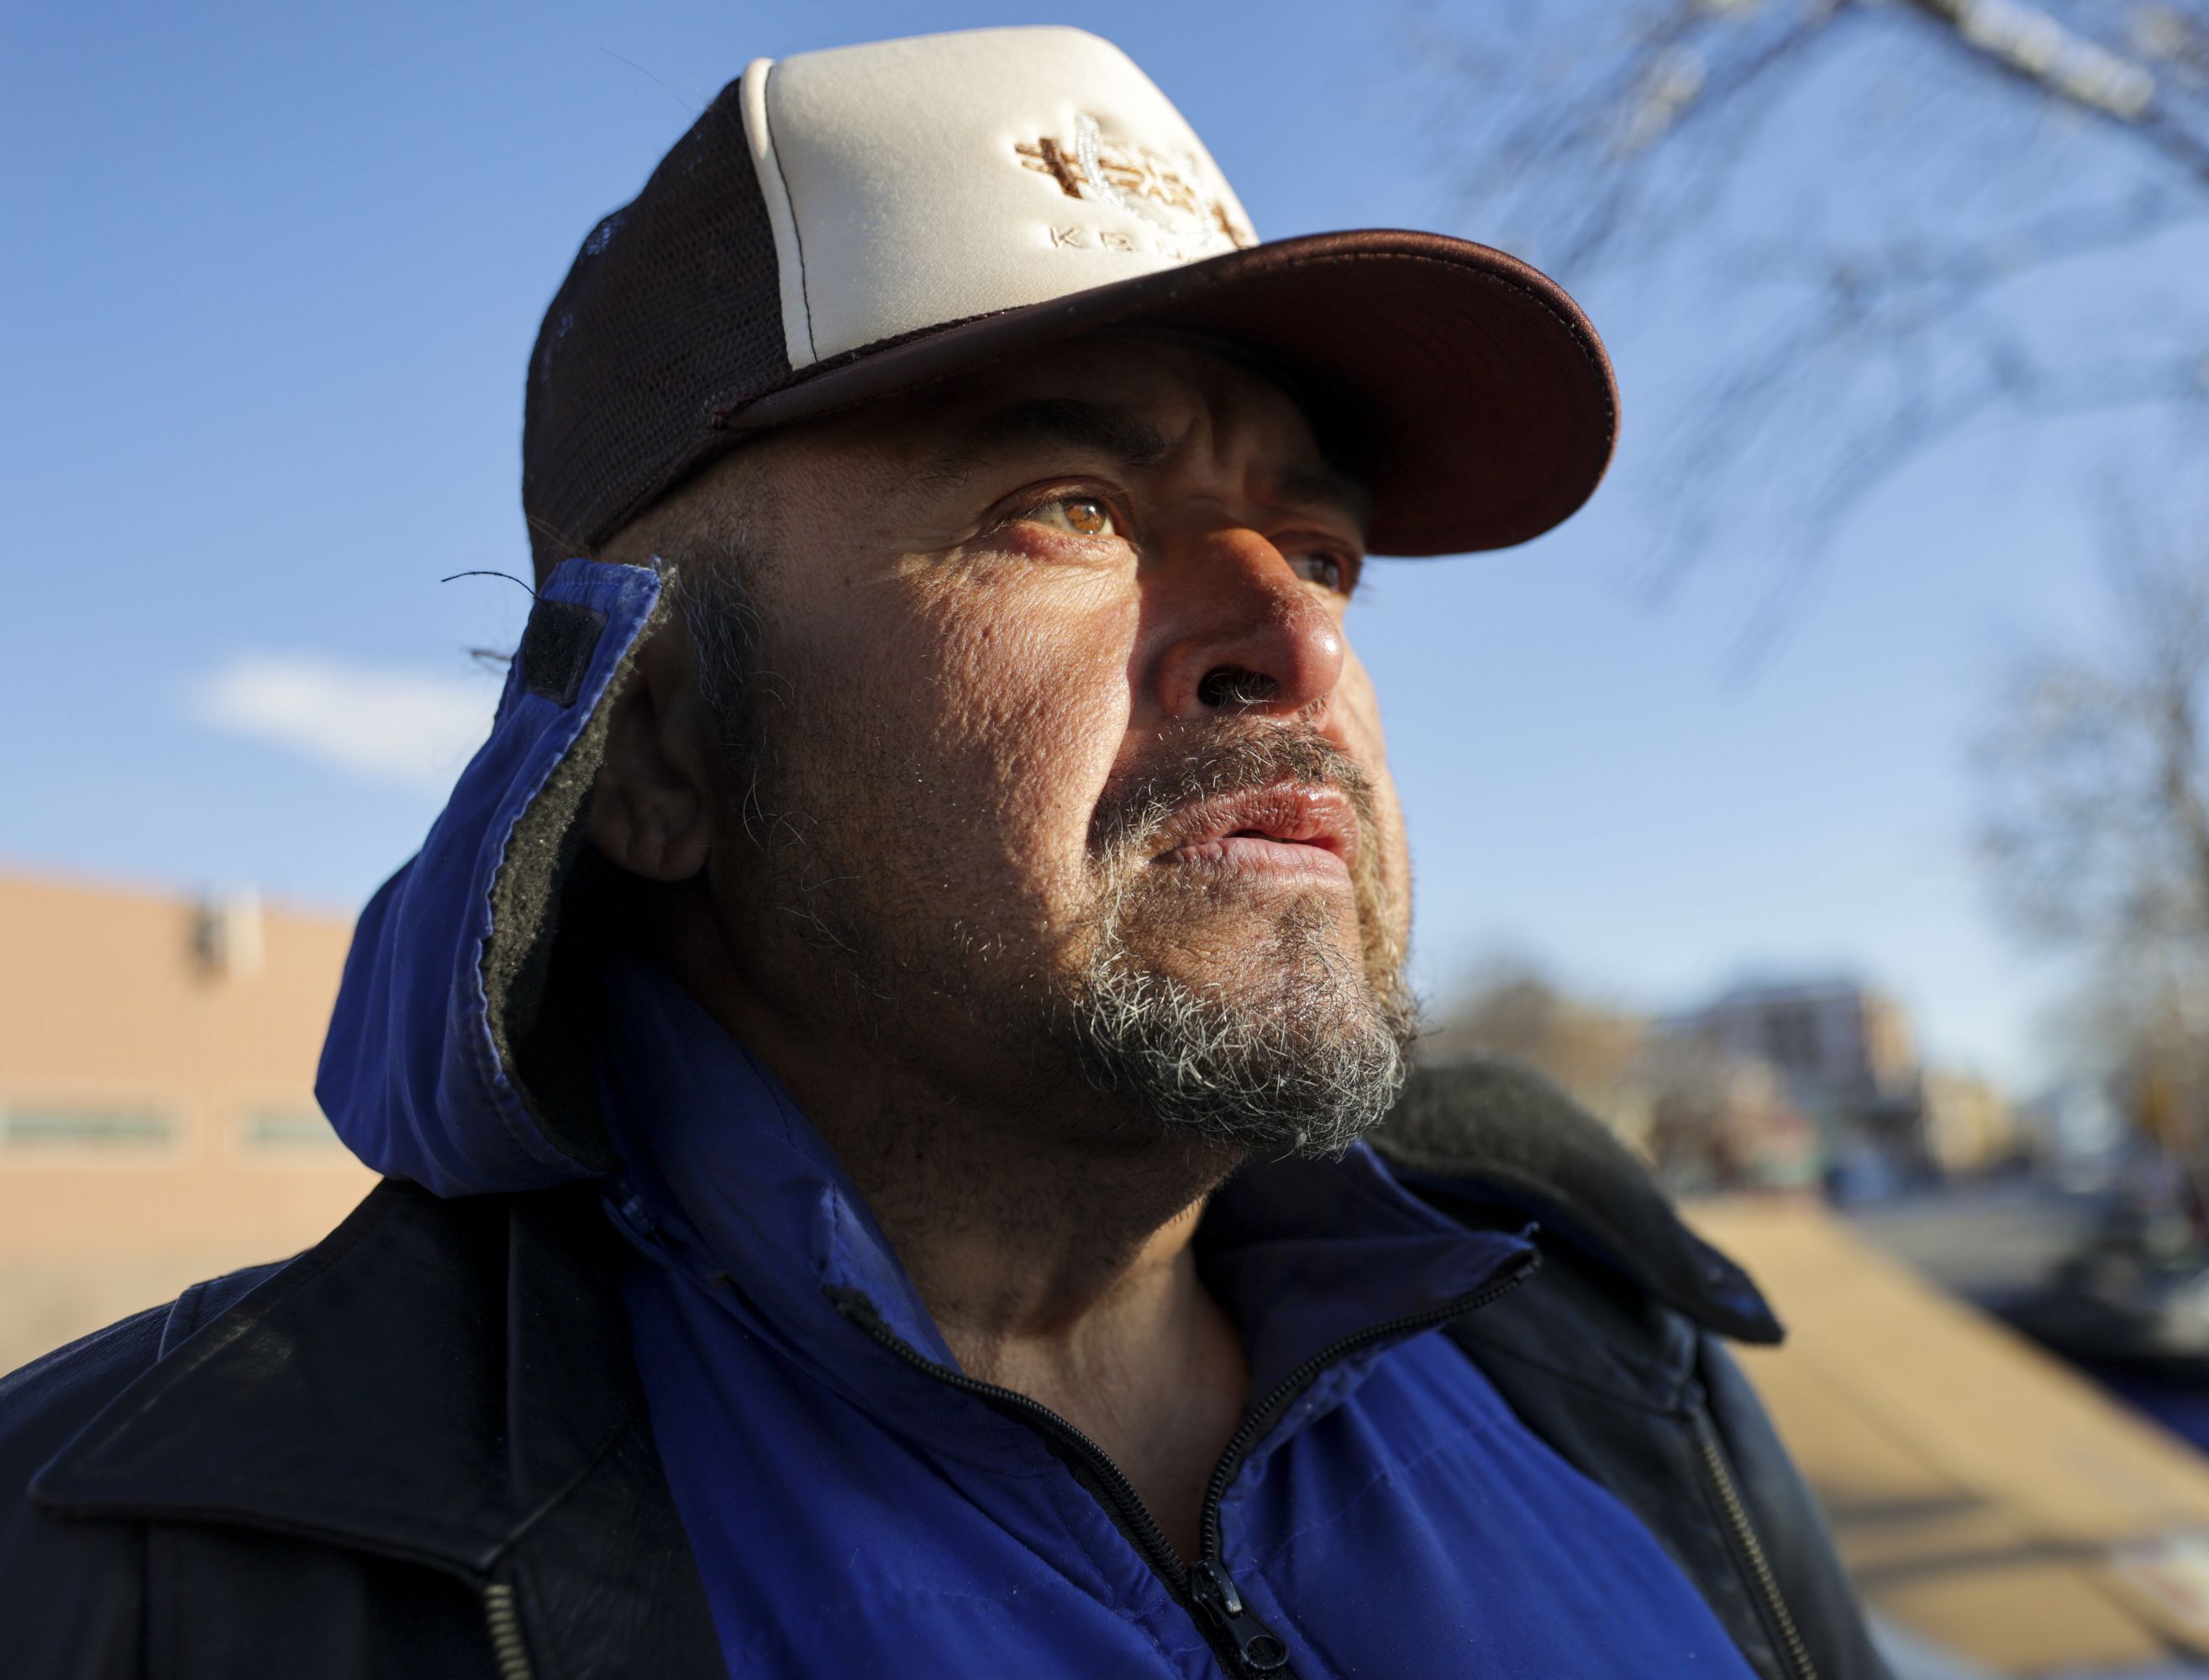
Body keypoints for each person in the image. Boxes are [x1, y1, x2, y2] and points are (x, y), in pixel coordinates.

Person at [0, 28, 1886, 1679]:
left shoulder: (1607, 1365)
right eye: (1072, 507)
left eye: (1320, 551)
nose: (1298, 642)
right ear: (652, 747)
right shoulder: (136, 1575)